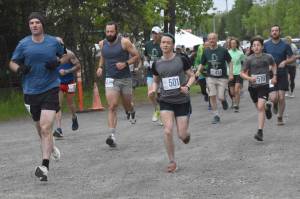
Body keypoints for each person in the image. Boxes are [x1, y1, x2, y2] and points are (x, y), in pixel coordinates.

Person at [9, 12, 65, 181]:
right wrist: (19, 69)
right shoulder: (23, 44)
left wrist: (57, 62)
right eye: (31, 22)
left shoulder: (53, 42)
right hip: (31, 91)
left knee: (46, 127)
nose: (34, 25)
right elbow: (12, 62)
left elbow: (65, 55)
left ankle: (44, 166)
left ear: (42, 25)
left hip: (50, 88)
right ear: (29, 26)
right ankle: (51, 147)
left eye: (37, 22)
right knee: (40, 129)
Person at [148, 33, 195, 173]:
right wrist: (153, 90)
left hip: (181, 100)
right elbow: (156, 81)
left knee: (182, 135)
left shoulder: (181, 59)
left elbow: (192, 76)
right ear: (160, 44)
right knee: (168, 130)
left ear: (173, 45)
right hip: (166, 100)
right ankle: (172, 161)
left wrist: (187, 87)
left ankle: (186, 135)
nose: (165, 45)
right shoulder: (156, 63)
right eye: (163, 42)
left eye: (168, 42)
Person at [96, 21, 139, 147]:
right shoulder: (102, 43)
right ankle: (112, 135)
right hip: (110, 78)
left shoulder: (124, 42)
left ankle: (131, 110)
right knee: (112, 106)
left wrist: (125, 63)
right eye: (107, 31)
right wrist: (100, 67)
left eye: (112, 32)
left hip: (125, 78)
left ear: (116, 31)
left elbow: (136, 56)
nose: (109, 34)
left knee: (127, 104)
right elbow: (103, 55)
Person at [241, 36, 277, 141]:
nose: (256, 47)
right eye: (254, 45)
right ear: (251, 47)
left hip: (264, 86)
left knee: (260, 106)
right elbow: (242, 73)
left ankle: (260, 132)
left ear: (262, 46)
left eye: (258, 45)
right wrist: (249, 78)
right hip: (253, 87)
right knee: (260, 108)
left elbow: (274, 65)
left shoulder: (268, 57)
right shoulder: (249, 59)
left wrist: (274, 75)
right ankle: (267, 109)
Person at [196, 33, 233, 124]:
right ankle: (216, 115)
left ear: (217, 39)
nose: (211, 40)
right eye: (210, 39)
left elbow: (230, 62)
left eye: (213, 38)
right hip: (210, 77)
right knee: (212, 95)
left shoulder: (223, 50)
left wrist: (231, 73)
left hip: (222, 77)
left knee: (220, 96)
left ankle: (223, 100)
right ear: (208, 40)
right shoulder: (206, 51)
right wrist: (198, 71)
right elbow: (202, 63)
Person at [263, 25, 295, 125]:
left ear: (279, 32)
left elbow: (292, 58)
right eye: (273, 31)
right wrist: (266, 65)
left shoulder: (285, 45)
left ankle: (280, 117)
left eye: (276, 30)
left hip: (282, 73)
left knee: (281, 97)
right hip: (270, 74)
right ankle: (274, 103)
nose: (275, 32)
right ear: (270, 33)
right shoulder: (266, 45)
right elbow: (262, 57)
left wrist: (285, 62)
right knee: (273, 98)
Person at [53, 39, 81, 138]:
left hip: (70, 82)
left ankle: (74, 117)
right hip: (58, 83)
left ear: (63, 44)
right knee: (58, 105)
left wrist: (68, 71)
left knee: (70, 103)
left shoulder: (69, 54)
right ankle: (59, 128)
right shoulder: (51, 54)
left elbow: (78, 66)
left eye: (60, 44)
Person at [144, 26, 162, 123]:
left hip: (162, 74)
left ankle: (163, 115)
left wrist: (158, 63)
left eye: (156, 33)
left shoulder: (163, 44)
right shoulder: (148, 44)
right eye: (153, 33)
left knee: (161, 95)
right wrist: (146, 62)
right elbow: (146, 55)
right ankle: (157, 109)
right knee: (150, 94)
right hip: (151, 73)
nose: (154, 35)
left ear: (160, 34)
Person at [228, 37, 245, 112]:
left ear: (237, 44)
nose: (233, 44)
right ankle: (234, 101)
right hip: (230, 73)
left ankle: (237, 105)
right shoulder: (227, 52)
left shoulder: (240, 53)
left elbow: (244, 63)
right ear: (230, 45)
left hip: (238, 73)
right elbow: (225, 63)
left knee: (236, 89)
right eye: (232, 43)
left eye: (234, 43)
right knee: (232, 92)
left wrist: (243, 71)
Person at [194, 40, 211, 109]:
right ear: (203, 46)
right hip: (201, 73)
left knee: (210, 88)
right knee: (203, 90)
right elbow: (197, 62)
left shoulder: (212, 52)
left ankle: (210, 104)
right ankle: (205, 94)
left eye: (208, 45)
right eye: (205, 45)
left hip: (209, 73)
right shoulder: (200, 53)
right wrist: (197, 67)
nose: (207, 47)